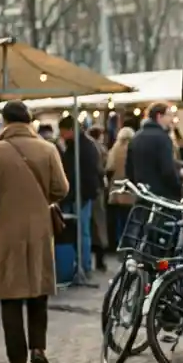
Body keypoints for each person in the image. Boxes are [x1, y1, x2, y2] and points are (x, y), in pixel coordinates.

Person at [0, 101, 69, 363]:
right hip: (40, 229)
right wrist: (42, 203)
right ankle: (38, 348)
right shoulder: (47, 148)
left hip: (6, 231)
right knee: (38, 293)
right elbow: (61, 188)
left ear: (4, 121)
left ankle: (17, 361)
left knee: (11, 295)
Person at [57, 116, 102, 275]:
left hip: (80, 195)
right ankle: (82, 265)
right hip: (78, 194)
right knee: (81, 231)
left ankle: (84, 266)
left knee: (82, 231)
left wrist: (79, 195)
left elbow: (84, 174)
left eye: (62, 132)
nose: (61, 136)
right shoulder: (80, 145)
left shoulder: (81, 147)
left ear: (70, 130)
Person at [126, 103, 183, 201]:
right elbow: (167, 170)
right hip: (161, 199)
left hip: (142, 196)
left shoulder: (136, 138)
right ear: (159, 116)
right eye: (169, 115)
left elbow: (129, 168)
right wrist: (178, 188)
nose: (171, 119)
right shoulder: (163, 138)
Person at [87, 126, 110, 272]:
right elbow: (102, 168)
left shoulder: (92, 146)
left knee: (93, 225)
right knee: (99, 224)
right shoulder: (99, 148)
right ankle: (100, 260)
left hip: (92, 189)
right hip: (97, 189)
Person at [106, 126, 135, 245]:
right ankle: (129, 241)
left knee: (118, 217)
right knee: (130, 217)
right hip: (130, 187)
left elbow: (109, 167)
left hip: (117, 188)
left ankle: (119, 240)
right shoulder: (133, 149)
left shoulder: (114, 149)